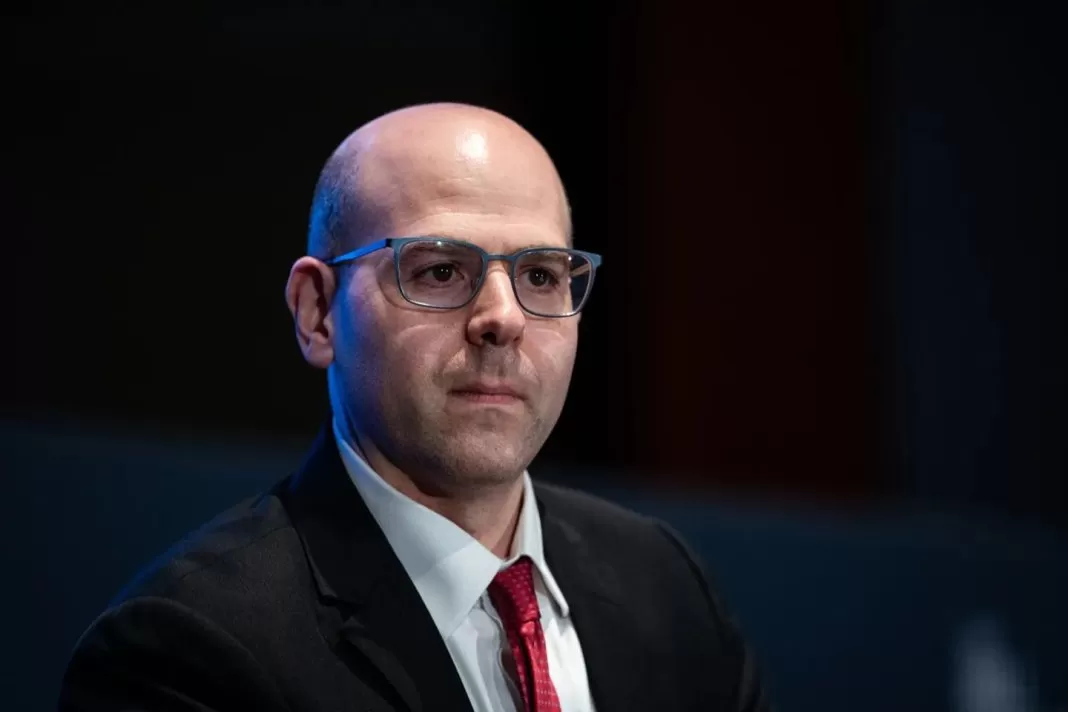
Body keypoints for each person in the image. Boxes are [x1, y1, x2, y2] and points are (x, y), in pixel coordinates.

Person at [58, 103, 769, 711]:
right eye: (440, 270)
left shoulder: (669, 589)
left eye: (540, 275)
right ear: (318, 313)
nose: (504, 318)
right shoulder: (189, 651)